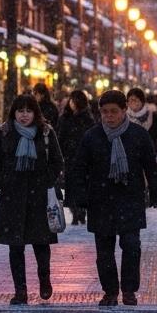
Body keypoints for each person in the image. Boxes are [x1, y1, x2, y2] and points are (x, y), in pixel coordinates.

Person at [67, 89, 157, 306]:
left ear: (124, 111)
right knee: (104, 251)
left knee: (131, 246)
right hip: (100, 200)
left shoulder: (138, 135)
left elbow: (151, 166)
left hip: (130, 198)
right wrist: (79, 197)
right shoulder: (92, 136)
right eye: (104, 112)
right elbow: (79, 168)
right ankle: (110, 291)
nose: (108, 116)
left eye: (113, 112)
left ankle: (129, 290)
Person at [0, 95, 64, 304]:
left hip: (39, 196)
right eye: (20, 111)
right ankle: (20, 291)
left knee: (41, 244)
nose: (24, 115)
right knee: (15, 246)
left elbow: (57, 161)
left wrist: (46, 180)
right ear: (14, 112)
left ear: (35, 113)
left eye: (28, 111)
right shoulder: (4, 133)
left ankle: (44, 280)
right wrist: (5, 182)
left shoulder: (46, 133)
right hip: (13, 197)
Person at [56, 90, 97, 225]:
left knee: (82, 185)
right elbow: (60, 137)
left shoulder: (87, 118)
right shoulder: (65, 117)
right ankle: (74, 212)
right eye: (71, 100)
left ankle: (81, 211)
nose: (71, 103)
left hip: (83, 158)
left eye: (74, 100)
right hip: (69, 157)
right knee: (71, 186)